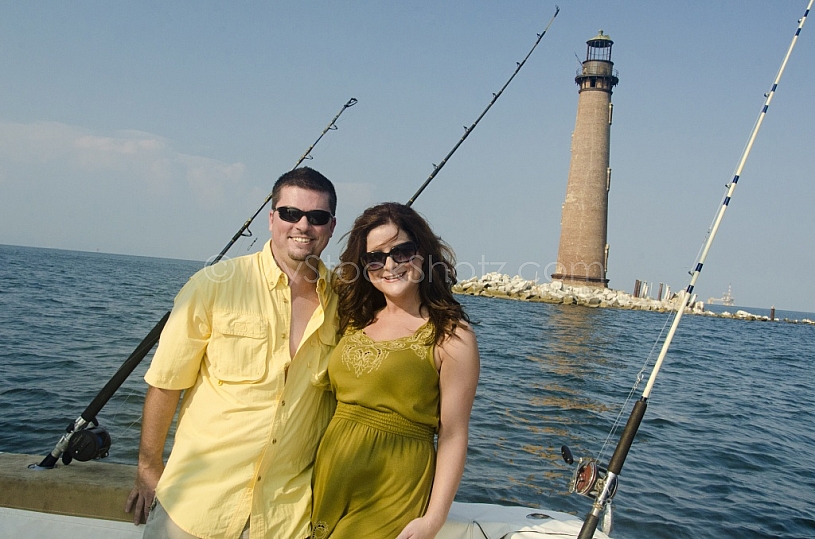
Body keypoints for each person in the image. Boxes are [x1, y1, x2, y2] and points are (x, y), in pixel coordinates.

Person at [125, 167, 339, 539]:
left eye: (316, 217)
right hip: (194, 508)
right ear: (271, 218)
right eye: (290, 213)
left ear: (331, 227)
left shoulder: (345, 301)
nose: (302, 226)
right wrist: (147, 469)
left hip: (285, 519)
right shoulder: (210, 286)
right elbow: (165, 384)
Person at [310, 202, 480, 539]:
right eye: (375, 257)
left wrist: (433, 519)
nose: (389, 265)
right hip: (330, 474)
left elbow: (453, 434)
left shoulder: (451, 335)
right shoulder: (352, 318)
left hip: (394, 484)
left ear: (423, 253)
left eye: (402, 251)